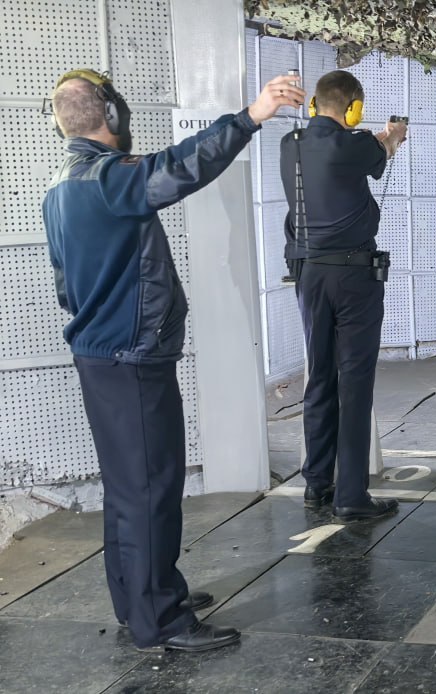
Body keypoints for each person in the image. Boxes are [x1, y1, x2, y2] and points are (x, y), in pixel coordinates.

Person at [43, 69, 303, 652]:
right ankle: (160, 619)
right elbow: (182, 166)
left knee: (127, 487)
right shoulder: (110, 177)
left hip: (101, 354)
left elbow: (65, 285)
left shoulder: (60, 186)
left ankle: (141, 595)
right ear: (112, 115)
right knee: (152, 487)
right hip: (132, 356)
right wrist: (250, 117)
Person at [280, 70, 408, 522]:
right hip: (354, 278)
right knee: (354, 382)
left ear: (314, 105)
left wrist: (372, 138)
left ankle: (317, 483)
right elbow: (383, 149)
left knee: (319, 376)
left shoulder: (290, 144)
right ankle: (351, 495)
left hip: (309, 275)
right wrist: (393, 135)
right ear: (354, 109)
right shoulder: (357, 146)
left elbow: (347, 149)